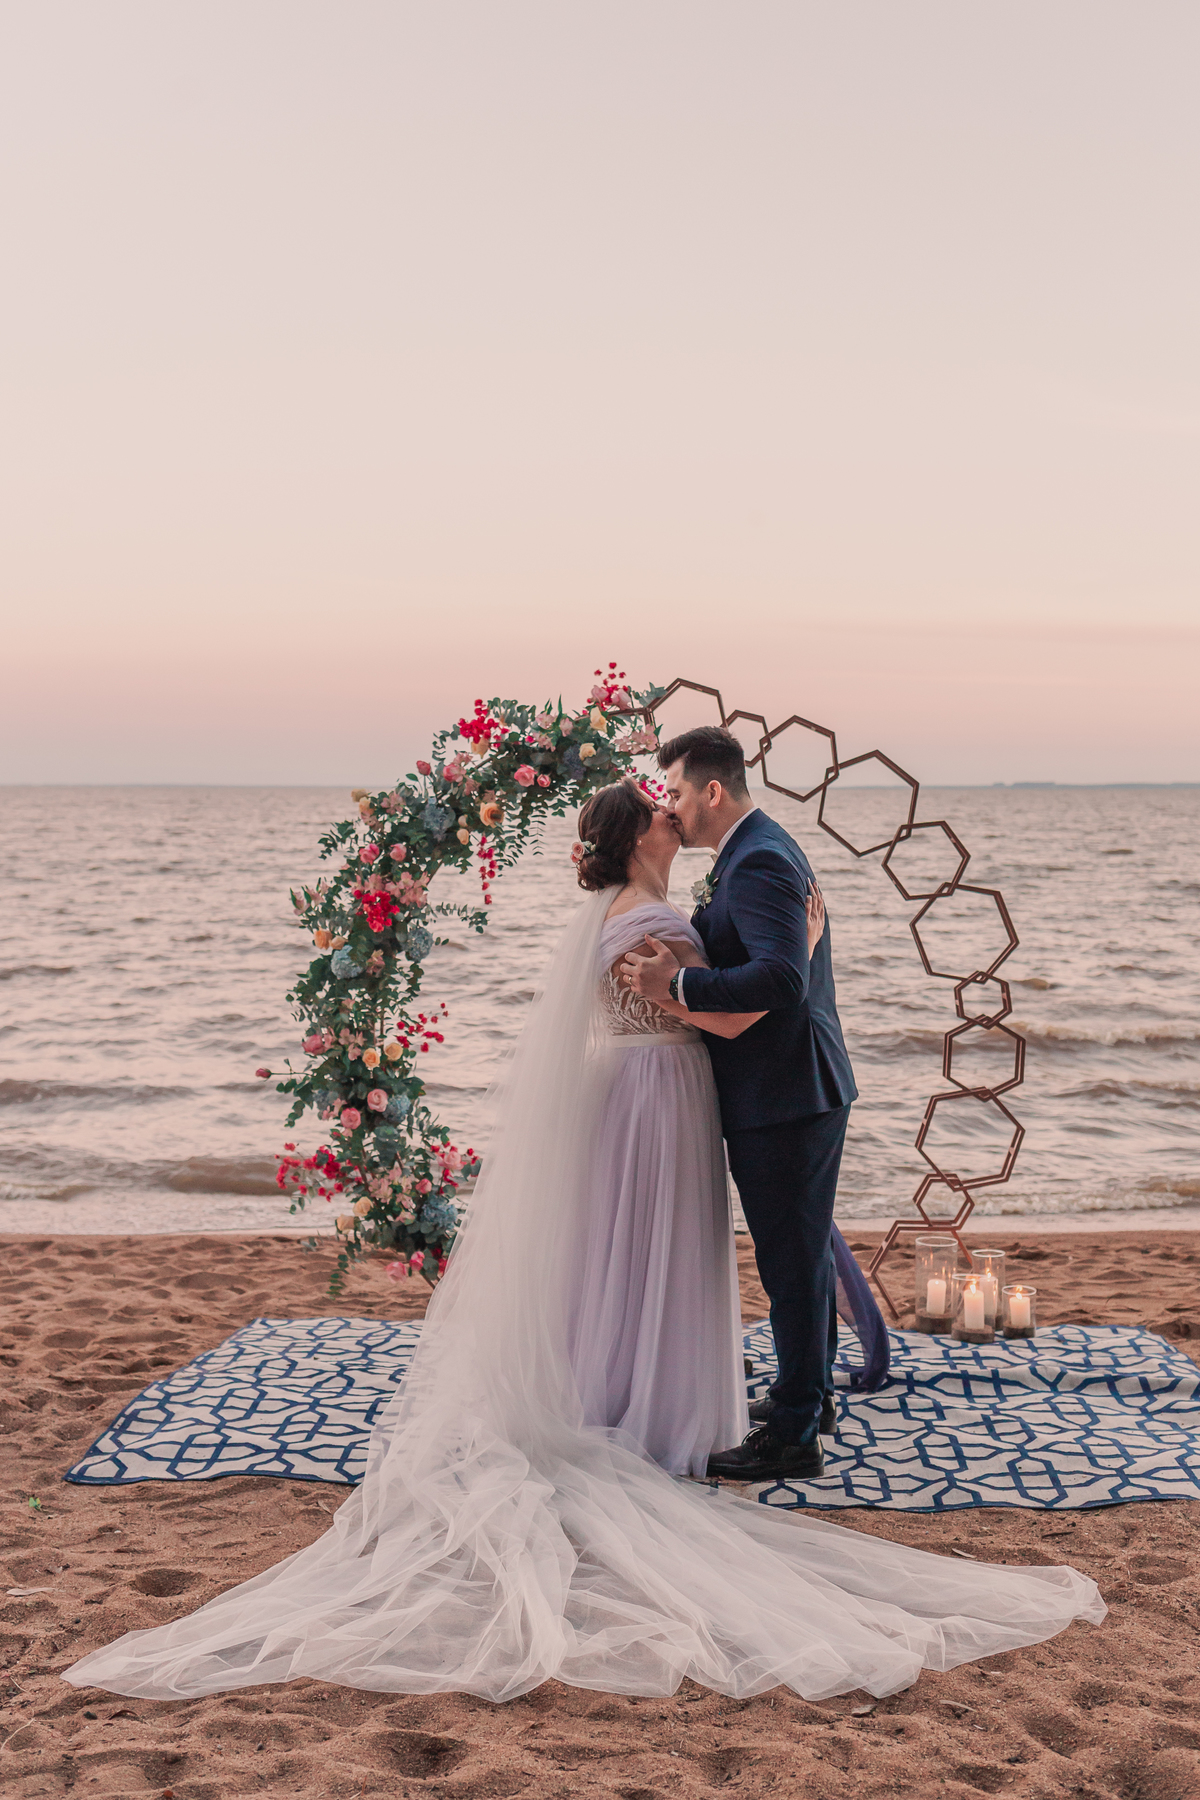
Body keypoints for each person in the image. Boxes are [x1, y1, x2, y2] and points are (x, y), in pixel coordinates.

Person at [64, 780, 1104, 1705]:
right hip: (663, 1093)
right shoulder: (653, 922)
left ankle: (643, 1391)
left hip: (635, 1091)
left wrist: (772, 952)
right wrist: (772, 958)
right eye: (659, 812)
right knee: (660, 1253)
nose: (673, 816)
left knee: (629, 1254)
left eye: (674, 802)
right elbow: (732, 1016)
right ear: (639, 835)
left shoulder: (632, 911)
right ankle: (667, 1408)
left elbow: (729, 984)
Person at [622, 726, 857, 1482]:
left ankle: (792, 1436)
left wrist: (677, 986)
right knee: (800, 1255)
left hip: (785, 1092)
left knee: (790, 1263)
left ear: (713, 791)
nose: (671, 807)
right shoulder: (754, 851)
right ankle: (808, 1398)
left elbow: (782, 979)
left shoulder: (757, 860)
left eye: (677, 792)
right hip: (788, 1088)